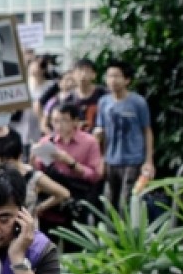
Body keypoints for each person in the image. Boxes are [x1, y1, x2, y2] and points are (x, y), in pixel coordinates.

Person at [32, 102, 104, 233]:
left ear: (75, 121)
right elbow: (37, 172)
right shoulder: (46, 141)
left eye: (64, 120)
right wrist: (33, 158)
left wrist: (71, 163)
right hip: (51, 203)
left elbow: (95, 176)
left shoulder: (89, 142)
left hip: (76, 201)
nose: (58, 125)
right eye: (55, 121)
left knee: (75, 247)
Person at [94, 60, 154, 211]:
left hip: (133, 160)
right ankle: (109, 233)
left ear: (127, 80)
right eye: (109, 76)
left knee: (126, 203)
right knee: (109, 203)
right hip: (110, 160)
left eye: (117, 76)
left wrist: (149, 161)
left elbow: (147, 131)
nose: (112, 80)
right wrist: (101, 158)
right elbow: (101, 132)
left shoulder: (138, 102)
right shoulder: (103, 102)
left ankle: (128, 234)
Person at [70, 59, 106, 131]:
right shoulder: (68, 97)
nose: (83, 75)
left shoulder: (103, 93)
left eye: (86, 71)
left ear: (94, 75)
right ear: (73, 75)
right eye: (79, 71)